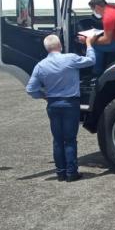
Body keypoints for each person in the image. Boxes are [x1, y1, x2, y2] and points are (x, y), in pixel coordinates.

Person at [26, 34, 97, 182]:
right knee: (70, 140)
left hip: (53, 104)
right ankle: (72, 173)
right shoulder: (70, 58)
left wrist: (43, 96)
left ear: (46, 48)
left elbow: (31, 89)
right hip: (70, 104)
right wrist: (89, 44)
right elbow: (91, 60)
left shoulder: (40, 66)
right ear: (60, 46)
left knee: (57, 140)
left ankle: (60, 173)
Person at [87, 0, 115, 76]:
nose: (94, 12)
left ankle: (96, 73)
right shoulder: (114, 8)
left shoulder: (108, 17)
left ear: (97, 7)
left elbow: (107, 40)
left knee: (94, 46)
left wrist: (89, 41)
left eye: (93, 9)